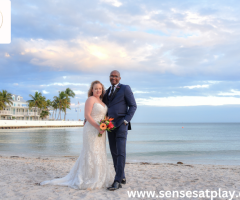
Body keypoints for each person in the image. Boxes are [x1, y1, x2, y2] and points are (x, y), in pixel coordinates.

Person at [40, 80, 114, 189]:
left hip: (101, 131)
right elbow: (87, 115)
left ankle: (99, 177)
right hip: (92, 129)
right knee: (91, 152)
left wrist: (105, 125)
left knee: (100, 152)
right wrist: (97, 126)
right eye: (96, 88)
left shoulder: (102, 101)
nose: (98, 90)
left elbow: (104, 116)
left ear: (102, 90)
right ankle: (88, 177)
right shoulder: (90, 99)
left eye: (100, 88)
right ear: (92, 90)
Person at [103, 70, 137, 191]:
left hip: (122, 124)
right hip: (109, 125)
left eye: (116, 76)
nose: (113, 78)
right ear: (109, 77)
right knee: (113, 152)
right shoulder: (106, 92)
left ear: (120, 78)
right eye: (111, 76)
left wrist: (126, 121)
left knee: (121, 152)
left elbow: (133, 105)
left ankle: (117, 181)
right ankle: (121, 176)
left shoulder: (125, 88)